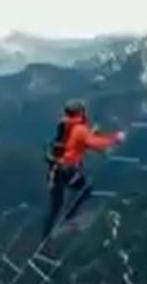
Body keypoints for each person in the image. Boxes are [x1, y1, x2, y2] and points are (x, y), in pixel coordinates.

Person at [43, 98, 125, 236]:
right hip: (68, 170)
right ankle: (69, 219)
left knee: (56, 204)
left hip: (55, 169)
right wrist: (116, 138)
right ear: (80, 112)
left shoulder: (64, 125)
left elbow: (72, 143)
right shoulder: (80, 129)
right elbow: (94, 143)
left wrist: (90, 134)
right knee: (85, 189)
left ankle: (47, 233)